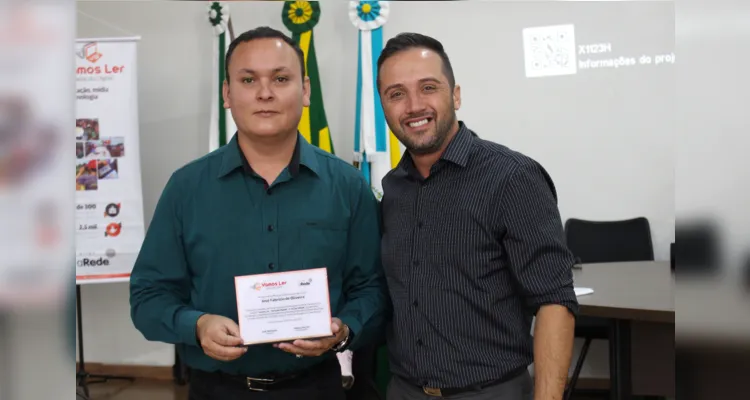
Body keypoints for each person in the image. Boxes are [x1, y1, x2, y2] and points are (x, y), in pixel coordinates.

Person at [129, 26, 388, 400]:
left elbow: (373, 288)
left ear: (305, 91)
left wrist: (345, 328)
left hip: (317, 388)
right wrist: (197, 325)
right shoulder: (186, 188)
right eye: (248, 79)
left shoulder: (347, 186)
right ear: (227, 94)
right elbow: (148, 296)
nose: (265, 93)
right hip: (217, 390)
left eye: (281, 79)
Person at [376, 32, 579, 400]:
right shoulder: (392, 190)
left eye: (428, 87)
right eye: (396, 94)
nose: (413, 105)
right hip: (404, 390)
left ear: (455, 95)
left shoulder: (513, 177)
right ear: (384, 106)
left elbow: (555, 301)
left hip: (491, 391)